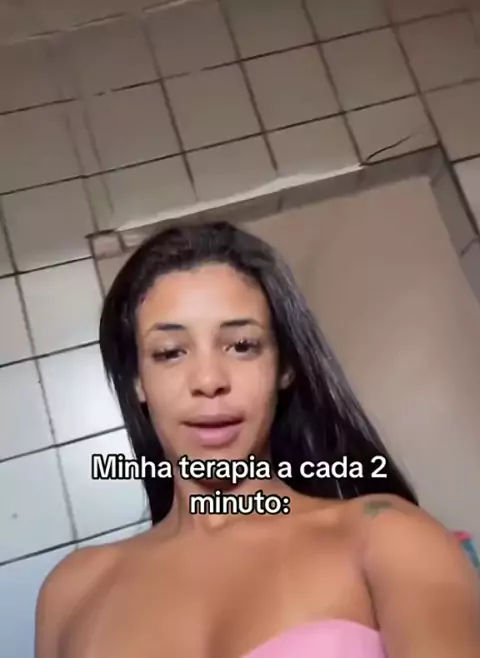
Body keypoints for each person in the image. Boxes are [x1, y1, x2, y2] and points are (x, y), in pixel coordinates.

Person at [35, 221, 480, 658]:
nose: (208, 380)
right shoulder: (72, 591)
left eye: (242, 345)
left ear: (284, 366)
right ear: (138, 381)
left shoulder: (387, 538)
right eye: (170, 352)